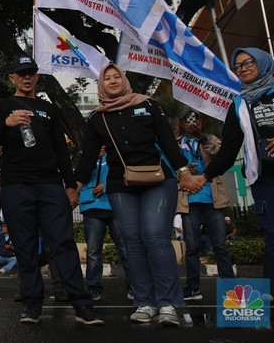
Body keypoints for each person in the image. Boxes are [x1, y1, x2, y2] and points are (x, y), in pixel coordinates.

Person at [0, 55, 102, 326]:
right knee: (25, 246)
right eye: (21, 73)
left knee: (63, 243)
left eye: (31, 73)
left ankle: (81, 304)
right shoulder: (3, 106)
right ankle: (32, 304)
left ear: (37, 76)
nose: (27, 78)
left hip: (50, 185)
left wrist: (70, 185)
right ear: (12, 78)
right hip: (16, 185)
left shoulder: (48, 109)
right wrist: (7, 123)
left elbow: (61, 149)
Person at [74, 63, 192, 327]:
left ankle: (168, 304)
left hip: (157, 179)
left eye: (116, 76)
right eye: (107, 78)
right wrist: (75, 186)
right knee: (133, 243)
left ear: (124, 80)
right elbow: (88, 156)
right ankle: (144, 302)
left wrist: (183, 170)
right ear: (101, 85)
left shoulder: (148, 104)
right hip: (121, 184)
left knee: (156, 238)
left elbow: (167, 140)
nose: (112, 80)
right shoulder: (97, 118)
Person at [184, 48, 274, 331]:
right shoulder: (239, 104)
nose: (242, 68)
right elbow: (228, 150)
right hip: (268, 182)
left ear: (263, 63)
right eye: (237, 66)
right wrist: (205, 177)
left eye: (248, 62)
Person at [175, 109, 235, 302]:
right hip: (189, 199)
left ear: (201, 122)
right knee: (192, 247)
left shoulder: (211, 139)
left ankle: (230, 290)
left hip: (212, 198)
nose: (191, 123)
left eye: (195, 119)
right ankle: (193, 288)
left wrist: (203, 139)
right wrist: (182, 171)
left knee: (220, 245)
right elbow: (168, 167)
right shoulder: (177, 144)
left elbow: (222, 156)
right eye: (187, 120)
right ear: (181, 123)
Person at [78, 147, 132, 302]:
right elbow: (79, 177)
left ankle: (134, 286)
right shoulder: (85, 154)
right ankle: (93, 287)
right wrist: (91, 157)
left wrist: (106, 185)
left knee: (126, 249)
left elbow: (126, 174)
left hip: (116, 205)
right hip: (92, 206)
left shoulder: (118, 152)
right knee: (93, 251)